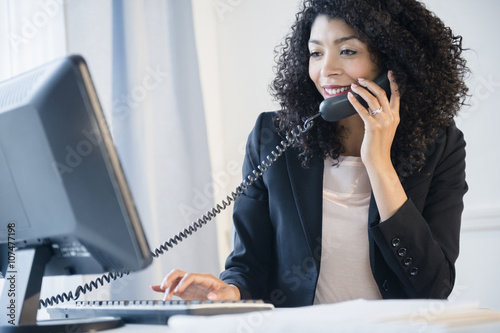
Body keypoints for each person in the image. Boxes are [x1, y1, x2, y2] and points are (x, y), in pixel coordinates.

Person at [151, 0, 468, 307]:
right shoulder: (272, 137)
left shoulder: (440, 145)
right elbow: (249, 265)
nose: (326, 69)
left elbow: (433, 285)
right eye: (316, 53)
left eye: (347, 51)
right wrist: (229, 291)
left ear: (391, 64)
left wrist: (379, 163)